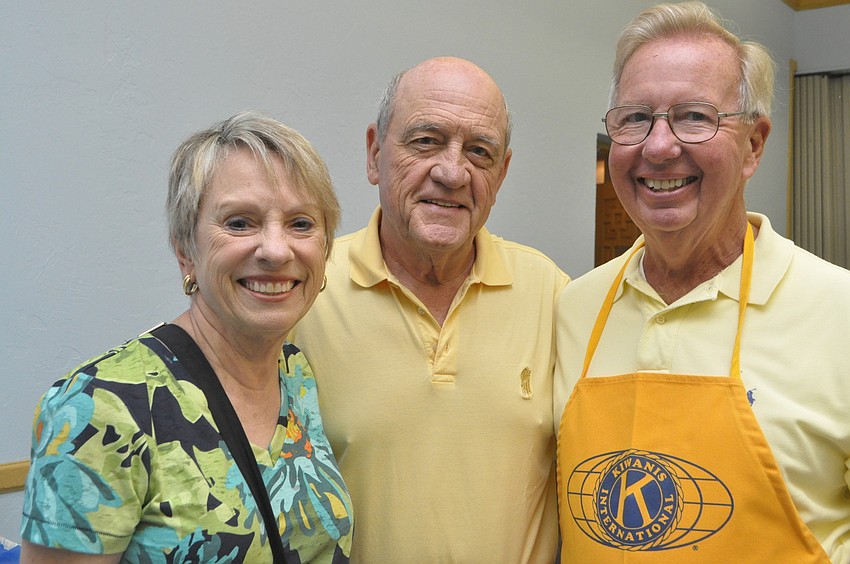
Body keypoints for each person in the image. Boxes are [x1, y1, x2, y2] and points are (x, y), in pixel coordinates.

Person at [554, 2, 850, 562]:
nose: (659, 146)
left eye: (694, 116)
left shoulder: (841, 313)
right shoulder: (574, 307)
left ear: (753, 145)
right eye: (635, 118)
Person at [20, 111, 354, 563]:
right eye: (239, 223)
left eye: (301, 223)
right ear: (185, 251)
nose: (276, 250)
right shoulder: (98, 408)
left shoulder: (295, 372)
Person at [290, 57, 569, 562]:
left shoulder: (552, 295)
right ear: (375, 153)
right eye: (426, 141)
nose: (452, 172)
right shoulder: (306, 292)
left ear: (502, 173)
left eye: (479, 152)